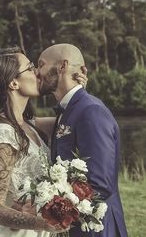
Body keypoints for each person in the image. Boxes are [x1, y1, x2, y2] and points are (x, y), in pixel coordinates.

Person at [35, 43, 128, 237]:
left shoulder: (91, 111)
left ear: (62, 66)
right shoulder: (69, 110)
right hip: (75, 226)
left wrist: (53, 207)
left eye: (41, 65)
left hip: (96, 229)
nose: (36, 72)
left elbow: (100, 184)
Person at [0, 47, 68, 237]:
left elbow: (72, 122)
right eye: (30, 67)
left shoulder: (27, 125)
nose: (37, 72)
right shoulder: (3, 134)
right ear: (13, 83)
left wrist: (74, 87)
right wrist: (43, 223)